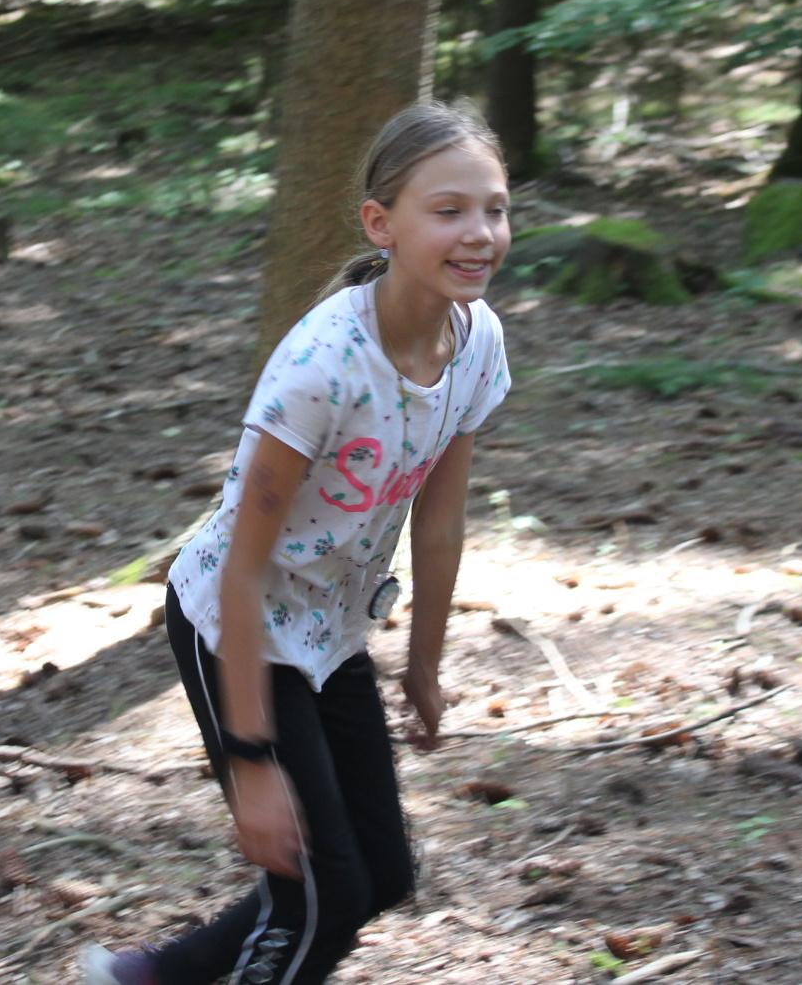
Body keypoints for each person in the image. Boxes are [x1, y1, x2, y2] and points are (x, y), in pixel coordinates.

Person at [85, 101, 514, 984]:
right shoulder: (321, 366)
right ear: (381, 224)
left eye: (495, 209)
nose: (479, 232)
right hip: (233, 622)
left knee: (379, 875)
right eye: (449, 210)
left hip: (329, 627)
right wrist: (249, 760)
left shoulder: (476, 344)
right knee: (321, 899)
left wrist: (424, 665)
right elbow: (242, 565)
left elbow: (439, 523)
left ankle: (150, 977)